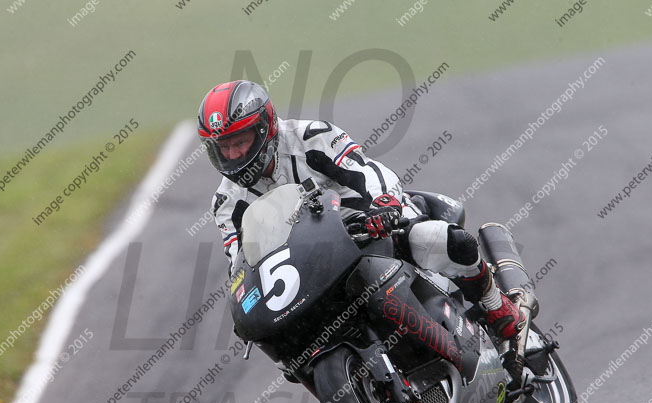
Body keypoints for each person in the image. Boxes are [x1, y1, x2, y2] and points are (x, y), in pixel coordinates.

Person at [198, 80, 524, 340]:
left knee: (444, 240)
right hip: (308, 267)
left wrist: (383, 204)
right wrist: (244, 307)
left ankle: (495, 304)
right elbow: (239, 265)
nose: (234, 155)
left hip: (367, 224)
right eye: (223, 148)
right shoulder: (226, 202)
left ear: (264, 128)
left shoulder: (311, 137)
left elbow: (366, 171)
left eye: (239, 142)